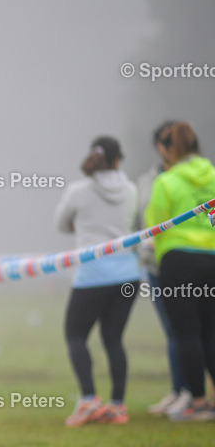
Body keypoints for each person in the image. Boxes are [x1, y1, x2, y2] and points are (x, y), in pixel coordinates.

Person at [55, 137, 140, 426]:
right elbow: (137, 226)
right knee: (114, 339)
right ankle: (118, 405)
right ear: (118, 160)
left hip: (91, 274)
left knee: (76, 335)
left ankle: (89, 400)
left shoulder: (79, 191)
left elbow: (60, 223)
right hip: (128, 273)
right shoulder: (131, 190)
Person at [145, 121, 215, 422]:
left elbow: (155, 225)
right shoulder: (212, 175)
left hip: (178, 261)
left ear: (168, 149)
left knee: (186, 335)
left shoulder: (166, 181)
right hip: (212, 257)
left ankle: (197, 403)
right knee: (211, 332)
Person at [136, 121, 189, 417]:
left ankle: (194, 394)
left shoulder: (197, 177)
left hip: (190, 263)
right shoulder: (148, 181)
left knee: (194, 331)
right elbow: (140, 220)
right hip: (156, 267)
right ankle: (179, 390)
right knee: (173, 331)